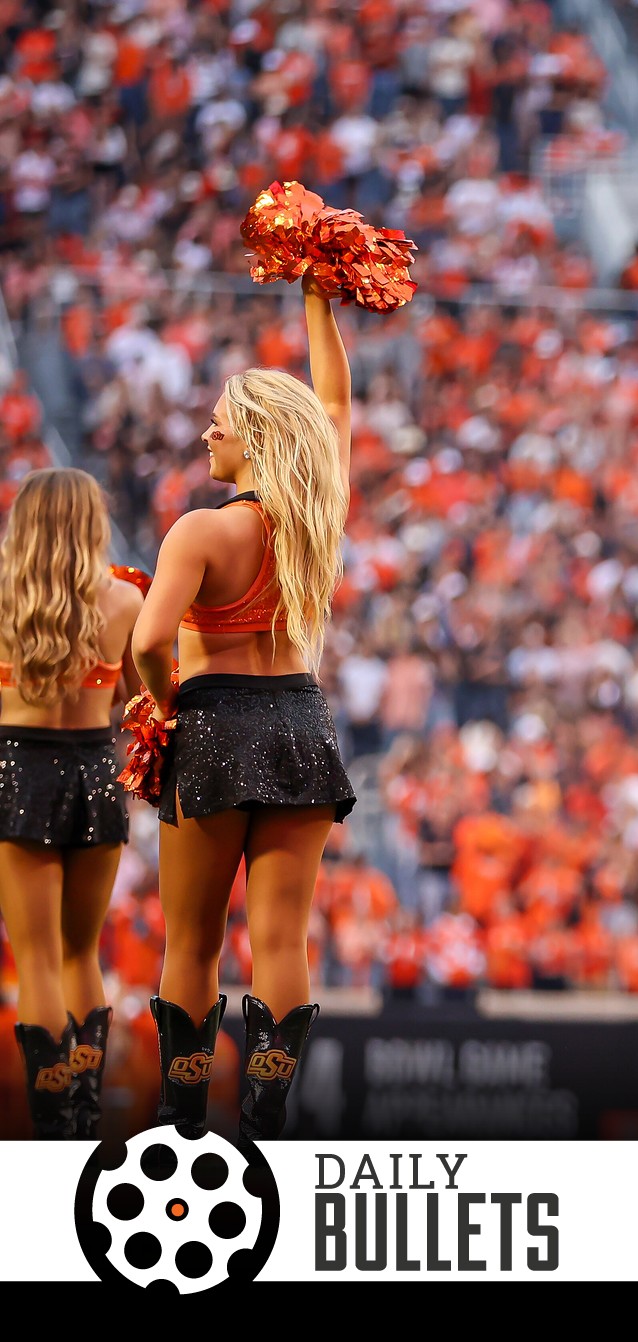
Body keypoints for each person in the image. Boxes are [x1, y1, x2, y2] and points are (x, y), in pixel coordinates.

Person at [131, 277, 357, 1139]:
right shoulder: (318, 516)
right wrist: (317, 305)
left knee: (192, 941)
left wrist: (163, 705)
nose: (206, 433)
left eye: (218, 422)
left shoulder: (200, 530)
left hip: (213, 724)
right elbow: (334, 404)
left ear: (254, 436)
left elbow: (151, 640)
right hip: (302, 721)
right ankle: (267, 1120)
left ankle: (182, 1124)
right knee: (284, 941)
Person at [0, 470, 145, 1137]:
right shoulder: (125, 599)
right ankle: (85, 1109)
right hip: (93, 774)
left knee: (35, 959)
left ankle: (50, 1117)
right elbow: (139, 703)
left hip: (17, 772)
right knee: (81, 954)